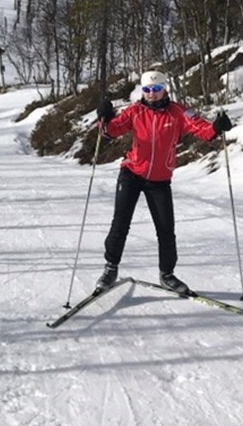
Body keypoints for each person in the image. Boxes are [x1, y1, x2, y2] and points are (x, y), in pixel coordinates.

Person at [94, 69, 233, 295]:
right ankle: (110, 268)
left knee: (166, 229)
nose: (151, 94)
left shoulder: (178, 112)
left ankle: (167, 275)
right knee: (120, 223)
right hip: (131, 174)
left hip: (159, 180)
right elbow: (111, 131)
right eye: (147, 89)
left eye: (156, 89)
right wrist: (104, 117)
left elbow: (202, 129)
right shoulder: (135, 111)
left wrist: (217, 127)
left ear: (164, 89)